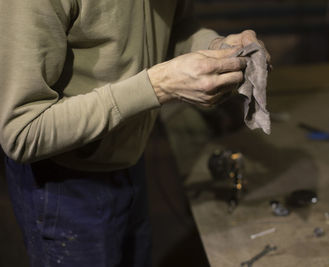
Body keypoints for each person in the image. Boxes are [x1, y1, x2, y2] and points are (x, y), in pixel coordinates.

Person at [0, 0, 270, 266]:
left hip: (129, 154)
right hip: (64, 183)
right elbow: (23, 132)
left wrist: (217, 47)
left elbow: (179, 30)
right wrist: (158, 86)